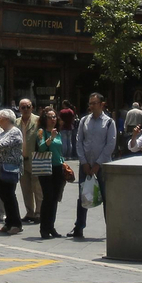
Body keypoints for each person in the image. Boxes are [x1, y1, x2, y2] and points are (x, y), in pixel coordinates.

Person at [71, 92, 117, 240]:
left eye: (94, 103)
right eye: (90, 103)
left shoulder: (109, 122)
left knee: (106, 196)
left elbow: (110, 145)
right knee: (83, 196)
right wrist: (84, 162)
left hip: (102, 165)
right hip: (85, 164)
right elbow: (79, 142)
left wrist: (98, 164)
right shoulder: (84, 120)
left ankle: (111, 229)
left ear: (102, 104)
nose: (91, 106)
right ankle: (79, 227)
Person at [0, 109, 25, 235]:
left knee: (9, 195)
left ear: (7, 119)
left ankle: (16, 223)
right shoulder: (1, 132)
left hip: (9, 168)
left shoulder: (15, 131)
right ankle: (8, 223)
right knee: (3, 196)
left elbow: (4, 145)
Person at [34, 108, 68, 239]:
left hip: (57, 167)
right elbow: (41, 147)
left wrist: (63, 162)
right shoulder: (41, 132)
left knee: (55, 198)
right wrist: (51, 138)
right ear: (44, 119)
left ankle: (51, 227)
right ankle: (44, 228)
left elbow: (59, 150)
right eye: (50, 117)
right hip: (45, 168)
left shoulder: (57, 132)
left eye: (54, 117)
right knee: (47, 197)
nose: (53, 119)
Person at [16, 98, 43, 224]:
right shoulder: (16, 122)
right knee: (25, 188)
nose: (25, 109)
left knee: (37, 188)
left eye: (28, 106)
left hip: (35, 159)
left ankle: (39, 213)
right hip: (21, 160)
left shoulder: (38, 121)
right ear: (19, 109)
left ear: (32, 107)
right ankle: (30, 213)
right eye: (23, 107)